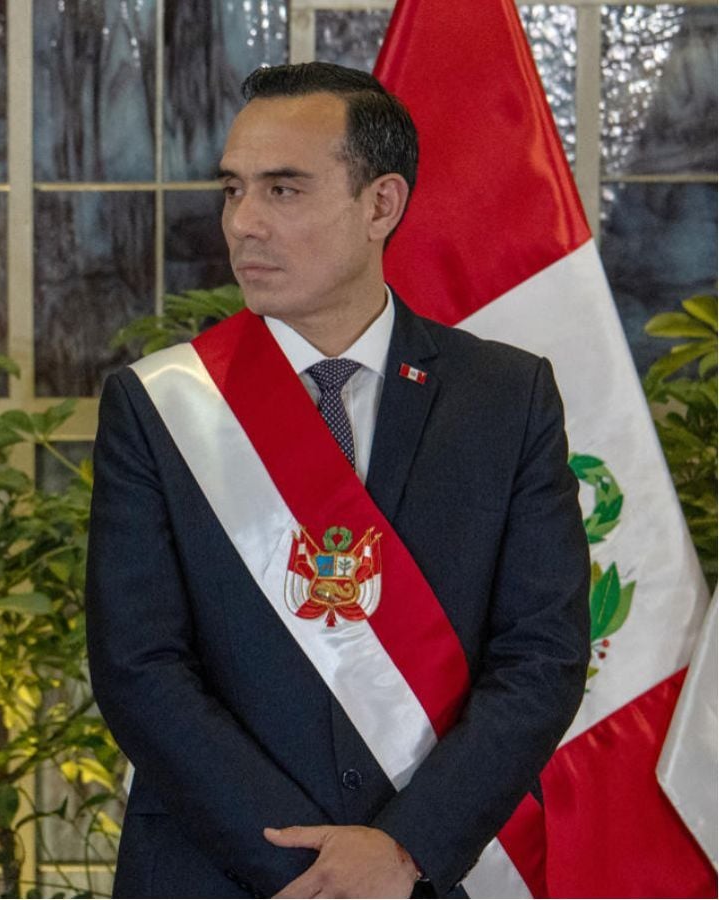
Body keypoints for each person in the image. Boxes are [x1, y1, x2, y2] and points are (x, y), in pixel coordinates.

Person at [85, 63, 589, 898]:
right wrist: (318, 875)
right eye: (234, 189)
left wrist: (403, 850)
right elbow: (139, 669)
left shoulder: (505, 397)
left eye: (283, 190)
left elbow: (542, 657)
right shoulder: (159, 404)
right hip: (217, 872)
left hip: (430, 872)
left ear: (380, 205)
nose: (243, 223)